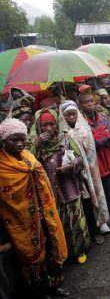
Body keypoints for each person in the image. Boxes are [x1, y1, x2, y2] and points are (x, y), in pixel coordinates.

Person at [0, 118, 68, 298]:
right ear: (3, 141)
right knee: (31, 258)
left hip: (43, 213)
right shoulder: (2, 167)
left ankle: (53, 285)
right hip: (20, 220)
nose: (20, 143)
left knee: (50, 250)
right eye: (14, 140)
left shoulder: (28, 156)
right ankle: (39, 291)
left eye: (22, 139)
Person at [29, 109, 91, 264]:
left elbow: (80, 160)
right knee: (59, 224)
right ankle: (63, 253)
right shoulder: (35, 143)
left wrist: (70, 167)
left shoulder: (65, 137)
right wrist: (37, 144)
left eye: (51, 124)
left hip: (69, 187)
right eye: (44, 125)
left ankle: (79, 250)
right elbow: (27, 165)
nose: (48, 128)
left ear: (57, 123)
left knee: (75, 220)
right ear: (39, 126)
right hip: (50, 193)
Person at [59, 100, 110, 241]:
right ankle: (90, 232)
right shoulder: (62, 133)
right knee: (84, 203)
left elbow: (90, 148)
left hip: (91, 169)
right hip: (75, 175)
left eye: (74, 114)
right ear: (62, 116)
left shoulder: (84, 128)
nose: (71, 117)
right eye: (67, 115)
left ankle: (99, 225)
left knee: (94, 197)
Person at [79, 93, 110, 226]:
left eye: (92, 102)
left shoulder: (103, 117)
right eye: (86, 102)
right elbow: (87, 142)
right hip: (94, 162)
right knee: (98, 191)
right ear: (81, 105)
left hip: (108, 158)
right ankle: (102, 219)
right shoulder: (80, 122)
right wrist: (101, 137)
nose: (90, 104)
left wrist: (99, 138)